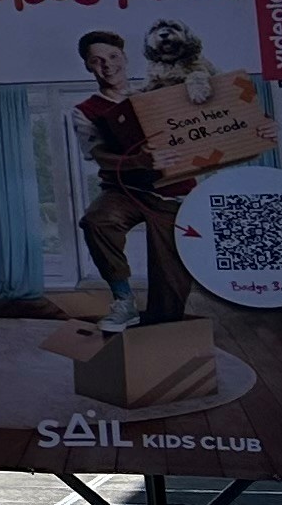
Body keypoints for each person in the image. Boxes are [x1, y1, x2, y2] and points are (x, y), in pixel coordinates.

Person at [70, 30, 194, 332]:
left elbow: (206, 125)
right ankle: (123, 301)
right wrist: (136, 162)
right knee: (97, 221)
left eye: (113, 57)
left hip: (172, 192)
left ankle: (165, 331)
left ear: (125, 58)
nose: (107, 65)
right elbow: (98, 154)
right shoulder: (84, 111)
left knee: (171, 271)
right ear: (88, 66)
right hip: (124, 190)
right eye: (97, 60)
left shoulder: (157, 94)